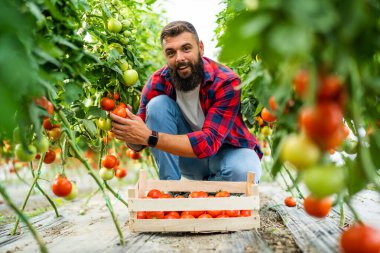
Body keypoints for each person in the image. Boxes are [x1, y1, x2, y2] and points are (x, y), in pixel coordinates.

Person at [110, 21, 262, 182]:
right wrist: (127, 131)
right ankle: (171, 190)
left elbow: (209, 142)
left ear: (201, 48)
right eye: (171, 53)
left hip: (228, 153)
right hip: (190, 160)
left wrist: (150, 137)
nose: (179, 58)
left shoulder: (225, 82)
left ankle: (208, 190)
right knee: (156, 105)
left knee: (244, 171)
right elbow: (140, 141)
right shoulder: (157, 83)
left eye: (186, 48)